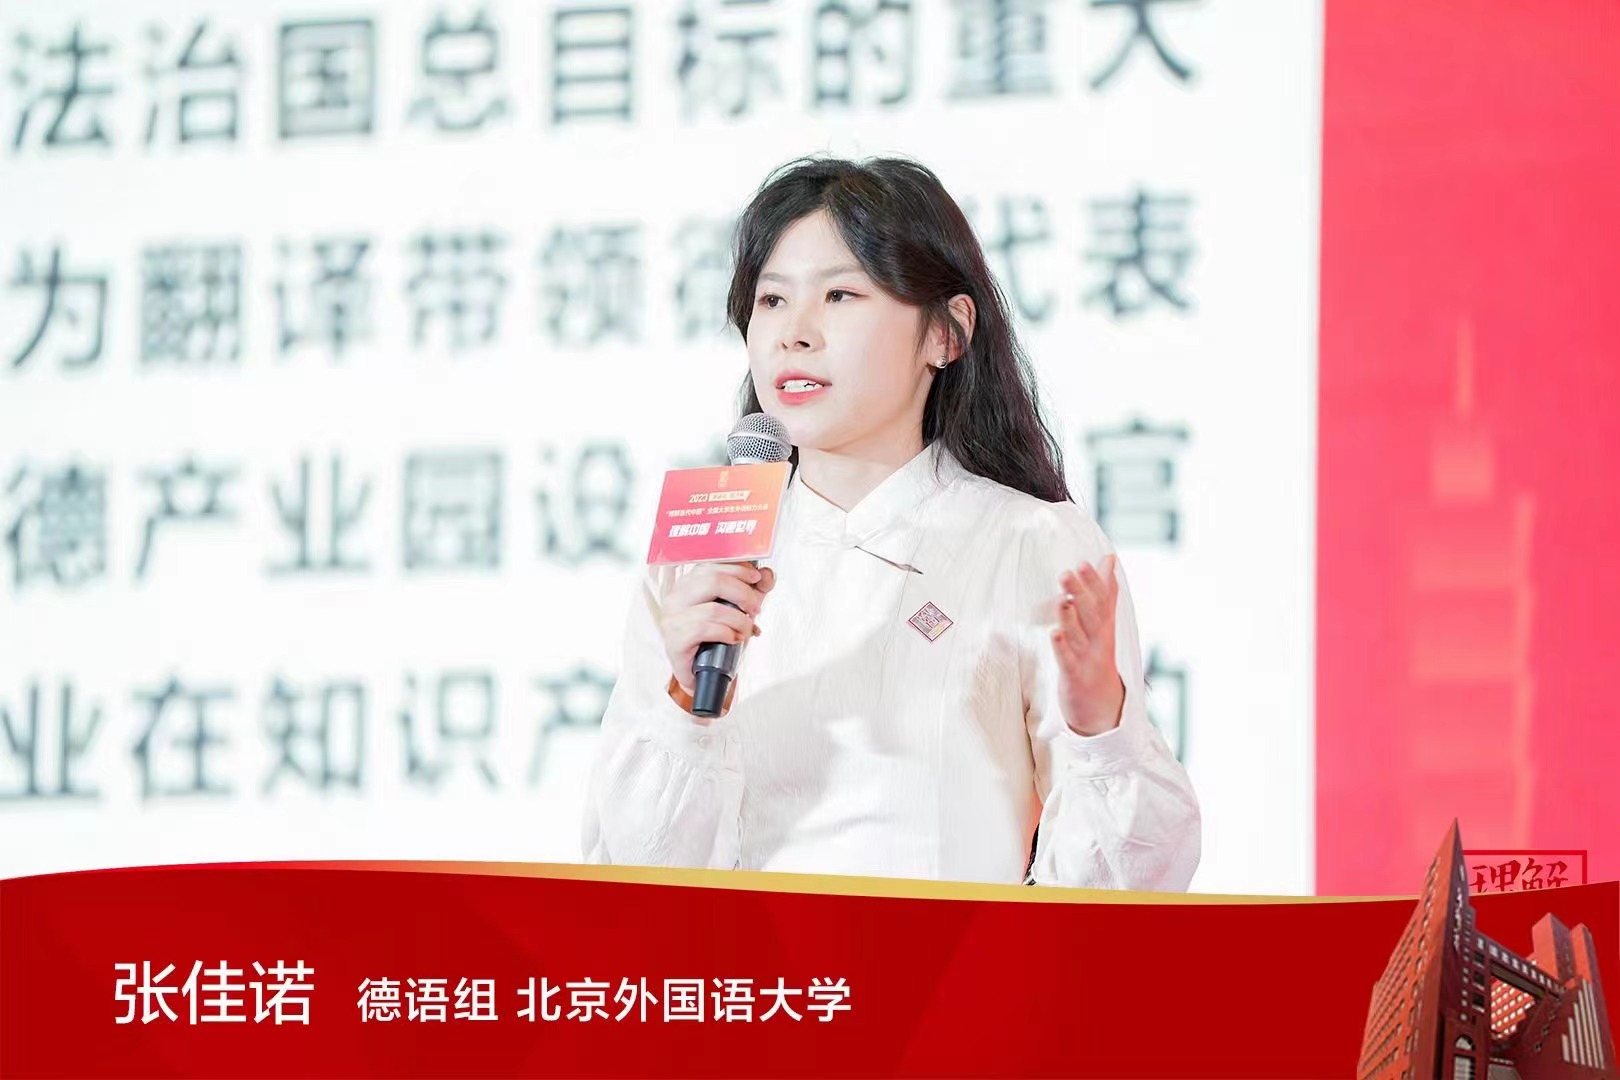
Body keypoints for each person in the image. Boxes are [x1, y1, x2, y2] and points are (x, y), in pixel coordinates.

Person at [581, 156, 1200, 889]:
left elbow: (1125, 893)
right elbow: (631, 884)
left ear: (946, 333)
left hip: (952, 963)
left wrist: (1102, 731)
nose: (793, 334)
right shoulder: (701, 561)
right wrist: (686, 710)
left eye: (839, 295)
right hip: (751, 966)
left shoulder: (1029, 543)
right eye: (772, 300)